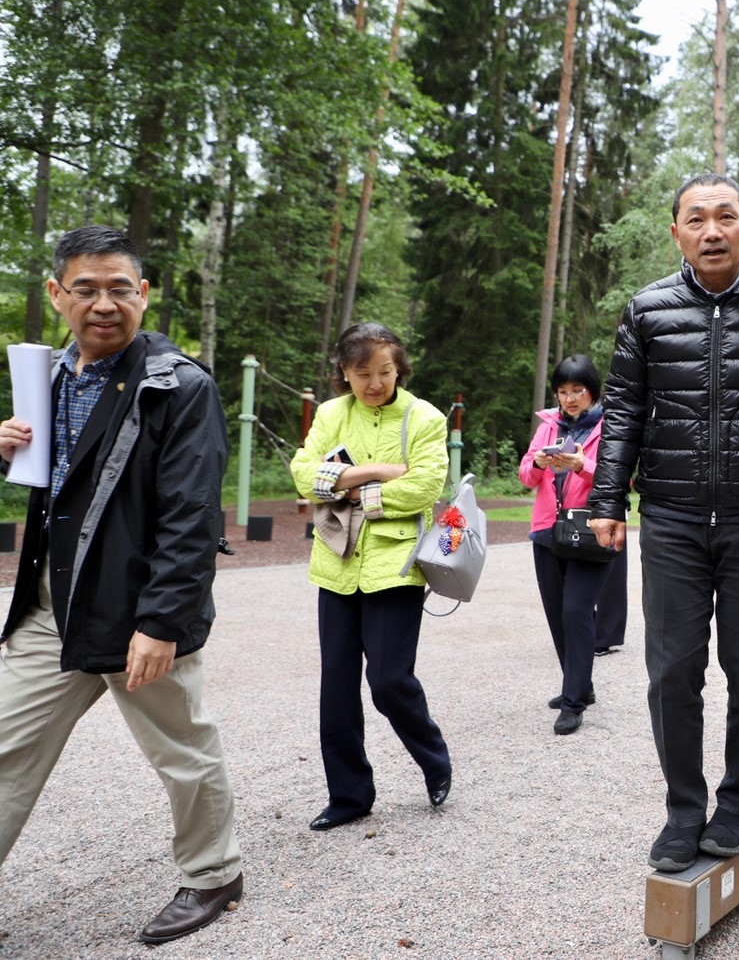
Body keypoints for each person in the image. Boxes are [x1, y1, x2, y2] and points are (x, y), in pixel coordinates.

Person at [587, 172, 739, 873]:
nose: (712, 230)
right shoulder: (648, 310)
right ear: (677, 234)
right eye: (696, 219)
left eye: (726, 216)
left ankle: (736, 805)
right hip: (670, 517)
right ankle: (683, 811)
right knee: (671, 672)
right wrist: (608, 501)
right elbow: (625, 412)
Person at [0, 225, 243, 944]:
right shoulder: (46, 377)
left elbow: (192, 515)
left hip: (137, 607)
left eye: (119, 289)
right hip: (52, 605)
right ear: (57, 295)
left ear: (144, 293)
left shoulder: (179, 385)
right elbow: (58, 489)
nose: (103, 304)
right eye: (86, 289)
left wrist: (163, 622)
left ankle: (214, 873)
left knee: (182, 749)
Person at [290, 322, 452, 831]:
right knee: (336, 687)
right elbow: (301, 473)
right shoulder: (333, 413)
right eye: (363, 373)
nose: (375, 383)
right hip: (336, 564)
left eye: (384, 371)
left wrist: (351, 490)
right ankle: (349, 795)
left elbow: (426, 485)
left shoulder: (424, 418)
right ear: (345, 372)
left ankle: (433, 757)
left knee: (387, 682)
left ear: (398, 368)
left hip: (395, 568)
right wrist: (377, 472)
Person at [518, 354, 622, 735]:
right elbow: (526, 474)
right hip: (548, 531)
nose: (570, 399)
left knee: (577, 611)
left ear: (592, 391)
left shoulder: (610, 426)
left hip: (593, 530)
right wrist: (541, 465)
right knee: (557, 613)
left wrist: (583, 467)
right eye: (563, 392)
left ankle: (574, 702)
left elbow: (619, 477)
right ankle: (579, 685)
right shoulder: (548, 426)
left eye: (577, 390)